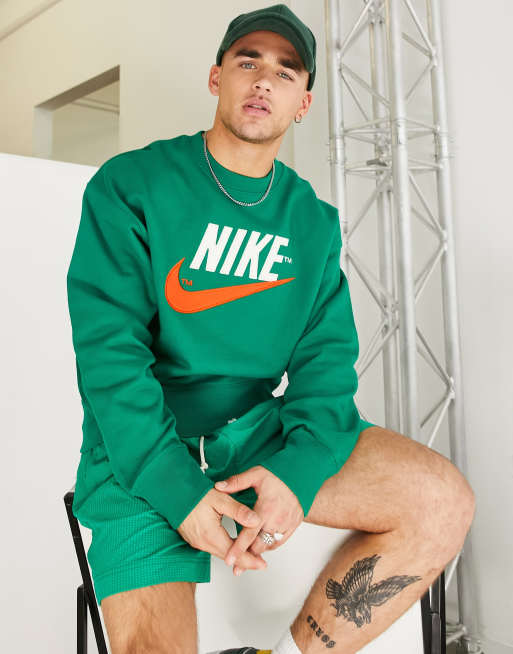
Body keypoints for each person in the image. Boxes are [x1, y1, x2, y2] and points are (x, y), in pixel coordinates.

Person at [66, 4, 475, 654]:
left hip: (254, 434)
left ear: (303, 103)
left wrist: (297, 473)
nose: (264, 80)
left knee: (441, 499)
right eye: (247, 61)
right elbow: (110, 359)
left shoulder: (311, 223)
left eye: (285, 72)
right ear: (216, 77)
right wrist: (176, 488)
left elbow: (325, 369)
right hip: (142, 450)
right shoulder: (133, 186)